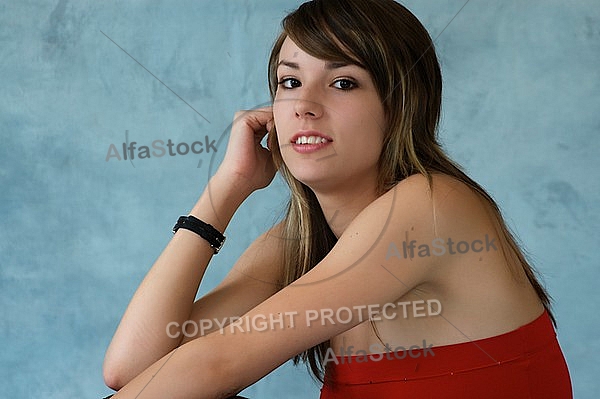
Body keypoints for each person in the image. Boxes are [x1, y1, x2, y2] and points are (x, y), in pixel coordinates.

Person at [102, 0, 572, 398]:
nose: (304, 104)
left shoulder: (432, 206)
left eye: (343, 82)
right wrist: (224, 190)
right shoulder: (299, 240)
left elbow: (213, 366)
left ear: (401, 104)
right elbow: (132, 369)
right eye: (289, 82)